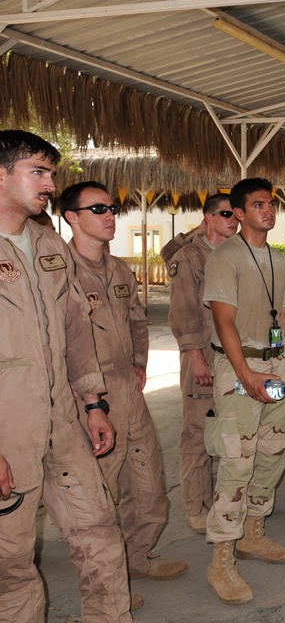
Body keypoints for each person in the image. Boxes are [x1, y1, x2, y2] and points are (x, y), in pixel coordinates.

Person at [0, 130, 132, 622]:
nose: (50, 183)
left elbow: (76, 328)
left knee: (99, 533)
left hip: (64, 418)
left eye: (52, 173)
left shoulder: (47, 241)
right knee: (10, 566)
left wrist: (94, 403)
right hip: (7, 425)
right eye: (38, 171)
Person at [61, 181, 189, 596]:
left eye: (111, 208)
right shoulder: (58, 272)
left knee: (149, 486)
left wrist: (139, 363)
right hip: (87, 398)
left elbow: (137, 321)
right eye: (97, 209)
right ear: (71, 217)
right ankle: (107, 584)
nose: (109, 215)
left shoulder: (118, 270)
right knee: (98, 498)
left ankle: (138, 558)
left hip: (129, 392)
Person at [202, 177, 285, 605]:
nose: (269, 210)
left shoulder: (278, 259)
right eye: (259, 204)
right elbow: (223, 321)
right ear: (240, 213)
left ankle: (253, 533)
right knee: (236, 460)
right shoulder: (225, 257)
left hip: (279, 362)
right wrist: (246, 374)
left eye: (271, 203)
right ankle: (221, 559)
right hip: (240, 366)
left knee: (274, 452)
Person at [167, 193, 239, 533]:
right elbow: (182, 313)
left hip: (234, 359)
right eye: (225, 214)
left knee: (229, 433)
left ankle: (224, 501)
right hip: (204, 358)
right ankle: (196, 506)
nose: (233, 220)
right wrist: (195, 357)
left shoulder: (237, 255)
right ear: (207, 218)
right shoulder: (190, 257)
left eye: (235, 215)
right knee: (197, 435)